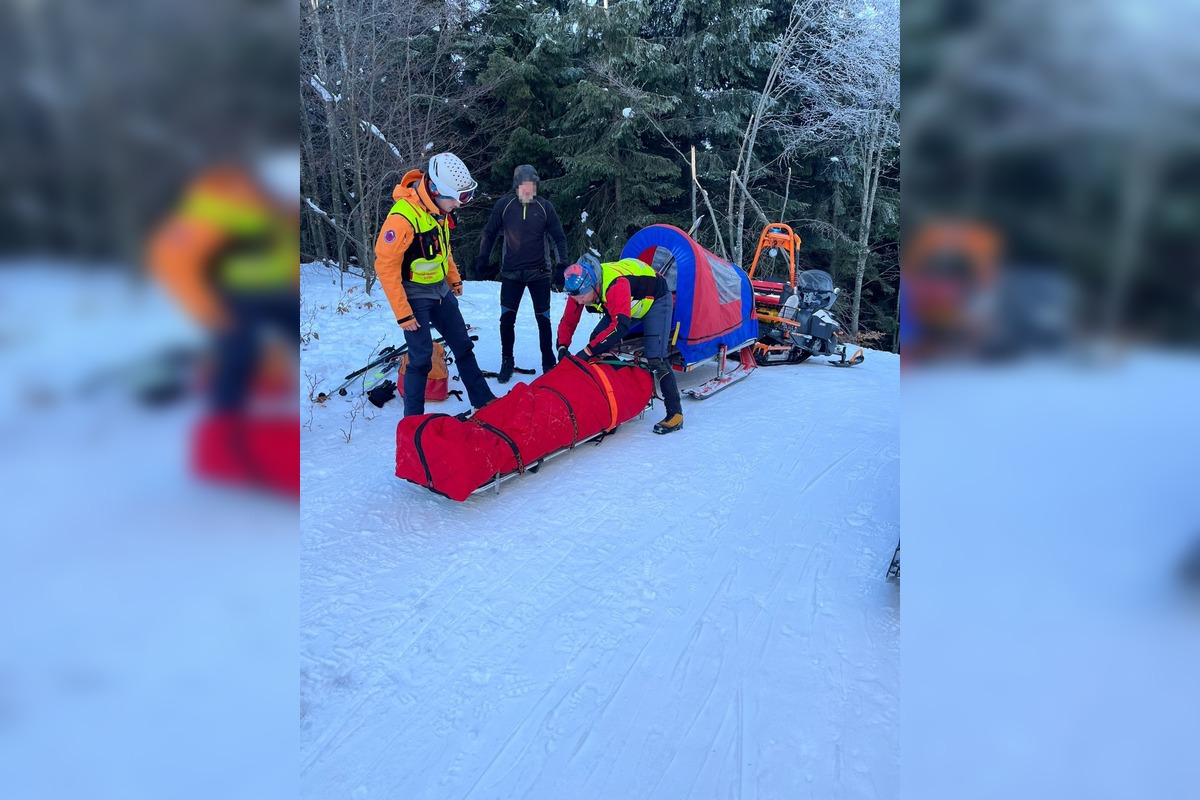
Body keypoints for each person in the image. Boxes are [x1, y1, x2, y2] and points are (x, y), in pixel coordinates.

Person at [146, 149, 300, 495]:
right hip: (230, 297)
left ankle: (275, 398)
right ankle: (220, 443)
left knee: (293, 336)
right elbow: (173, 261)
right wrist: (213, 314)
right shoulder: (219, 204)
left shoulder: (280, 207)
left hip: (274, 291)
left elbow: (284, 250)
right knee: (238, 354)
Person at [374, 152, 496, 417]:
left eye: (465, 197)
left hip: (440, 290)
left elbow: (444, 248)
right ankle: (414, 421)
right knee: (421, 358)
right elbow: (385, 266)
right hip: (414, 296)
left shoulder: (438, 209)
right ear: (436, 189)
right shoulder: (402, 218)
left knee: (463, 345)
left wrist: (453, 278)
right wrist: (403, 313)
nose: (460, 204)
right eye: (457, 198)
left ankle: (484, 401)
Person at [556, 253, 683, 435]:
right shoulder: (579, 286)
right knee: (597, 339)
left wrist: (587, 351)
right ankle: (611, 398)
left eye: (583, 297)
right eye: (577, 299)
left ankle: (675, 413)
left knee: (655, 357)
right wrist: (562, 347)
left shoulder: (615, 285)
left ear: (595, 285)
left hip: (656, 298)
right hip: (627, 302)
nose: (580, 302)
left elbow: (620, 326)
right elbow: (568, 321)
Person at [473, 164, 569, 381]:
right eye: (524, 186)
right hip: (511, 274)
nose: (528, 190)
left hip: (540, 273)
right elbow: (489, 233)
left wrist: (561, 264)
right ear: (516, 186)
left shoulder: (545, 207)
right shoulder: (504, 205)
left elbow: (558, 238)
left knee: (543, 320)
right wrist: (482, 259)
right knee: (507, 320)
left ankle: (548, 361)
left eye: (532, 186)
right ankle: (507, 360)